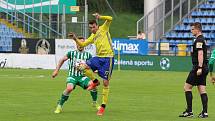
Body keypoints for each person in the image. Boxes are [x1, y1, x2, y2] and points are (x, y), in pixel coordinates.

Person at [68, 13, 114, 116]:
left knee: (106, 83)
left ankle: (102, 107)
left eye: (93, 27)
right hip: (98, 57)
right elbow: (83, 44)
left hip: (108, 58)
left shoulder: (104, 28)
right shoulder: (92, 36)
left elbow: (110, 18)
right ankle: (95, 81)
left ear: (97, 26)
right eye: (90, 28)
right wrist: (75, 38)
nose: (92, 29)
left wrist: (100, 17)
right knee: (82, 66)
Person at [52, 37, 98, 114]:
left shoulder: (88, 55)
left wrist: (91, 68)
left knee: (93, 85)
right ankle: (59, 106)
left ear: (84, 44)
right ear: (76, 44)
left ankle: (94, 102)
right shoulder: (71, 53)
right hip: (72, 76)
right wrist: (56, 70)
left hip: (83, 77)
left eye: (81, 43)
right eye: (78, 43)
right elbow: (62, 60)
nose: (80, 45)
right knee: (69, 88)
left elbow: (91, 66)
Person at [179, 22, 209, 118]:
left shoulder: (199, 40)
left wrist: (199, 68)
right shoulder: (202, 39)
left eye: (192, 29)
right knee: (202, 90)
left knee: (187, 87)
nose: (191, 31)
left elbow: (200, 54)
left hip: (198, 67)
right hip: (204, 67)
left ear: (198, 29)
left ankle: (189, 111)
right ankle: (204, 112)